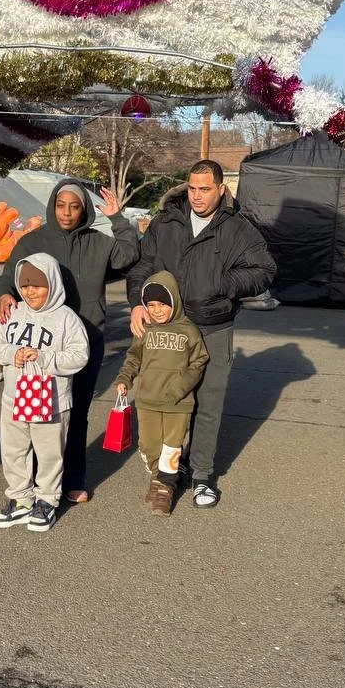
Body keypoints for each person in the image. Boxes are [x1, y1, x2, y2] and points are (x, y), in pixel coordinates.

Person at [126, 160, 276, 509]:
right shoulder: (167, 223)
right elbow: (145, 265)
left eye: (205, 189)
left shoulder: (237, 228)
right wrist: (137, 301)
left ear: (221, 190)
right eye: (192, 188)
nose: (197, 196)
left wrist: (223, 285)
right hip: (169, 328)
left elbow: (264, 270)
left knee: (208, 403)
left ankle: (202, 475)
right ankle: (166, 475)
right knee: (170, 401)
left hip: (213, 326)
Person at [0, 180, 139, 503]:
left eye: (74, 206)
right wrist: (3, 294)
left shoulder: (98, 242)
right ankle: (31, 482)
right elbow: (8, 277)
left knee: (76, 412)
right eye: (61, 206)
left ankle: (73, 478)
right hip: (41, 345)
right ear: (52, 207)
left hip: (87, 339)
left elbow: (130, 254)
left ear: (84, 209)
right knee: (35, 415)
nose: (67, 213)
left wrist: (117, 218)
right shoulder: (33, 242)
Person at [0, 254, 89, 533]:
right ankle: (20, 500)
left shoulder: (66, 318)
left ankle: (46, 500)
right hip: (14, 399)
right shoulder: (14, 312)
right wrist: (11, 354)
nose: (31, 291)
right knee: (13, 451)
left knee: (49, 452)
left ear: (53, 284)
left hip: (53, 401)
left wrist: (44, 358)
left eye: (38, 285)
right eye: (26, 285)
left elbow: (80, 356)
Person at [114, 270, 208, 515]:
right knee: (149, 445)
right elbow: (134, 357)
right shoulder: (146, 329)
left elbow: (199, 361)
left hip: (179, 403)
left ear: (174, 301)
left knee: (172, 446)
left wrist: (180, 388)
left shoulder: (188, 331)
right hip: (147, 400)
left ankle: (165, 488)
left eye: (163, 304)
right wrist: (125, 378)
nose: (157, 310)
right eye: (151, 305)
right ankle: (159, 479)